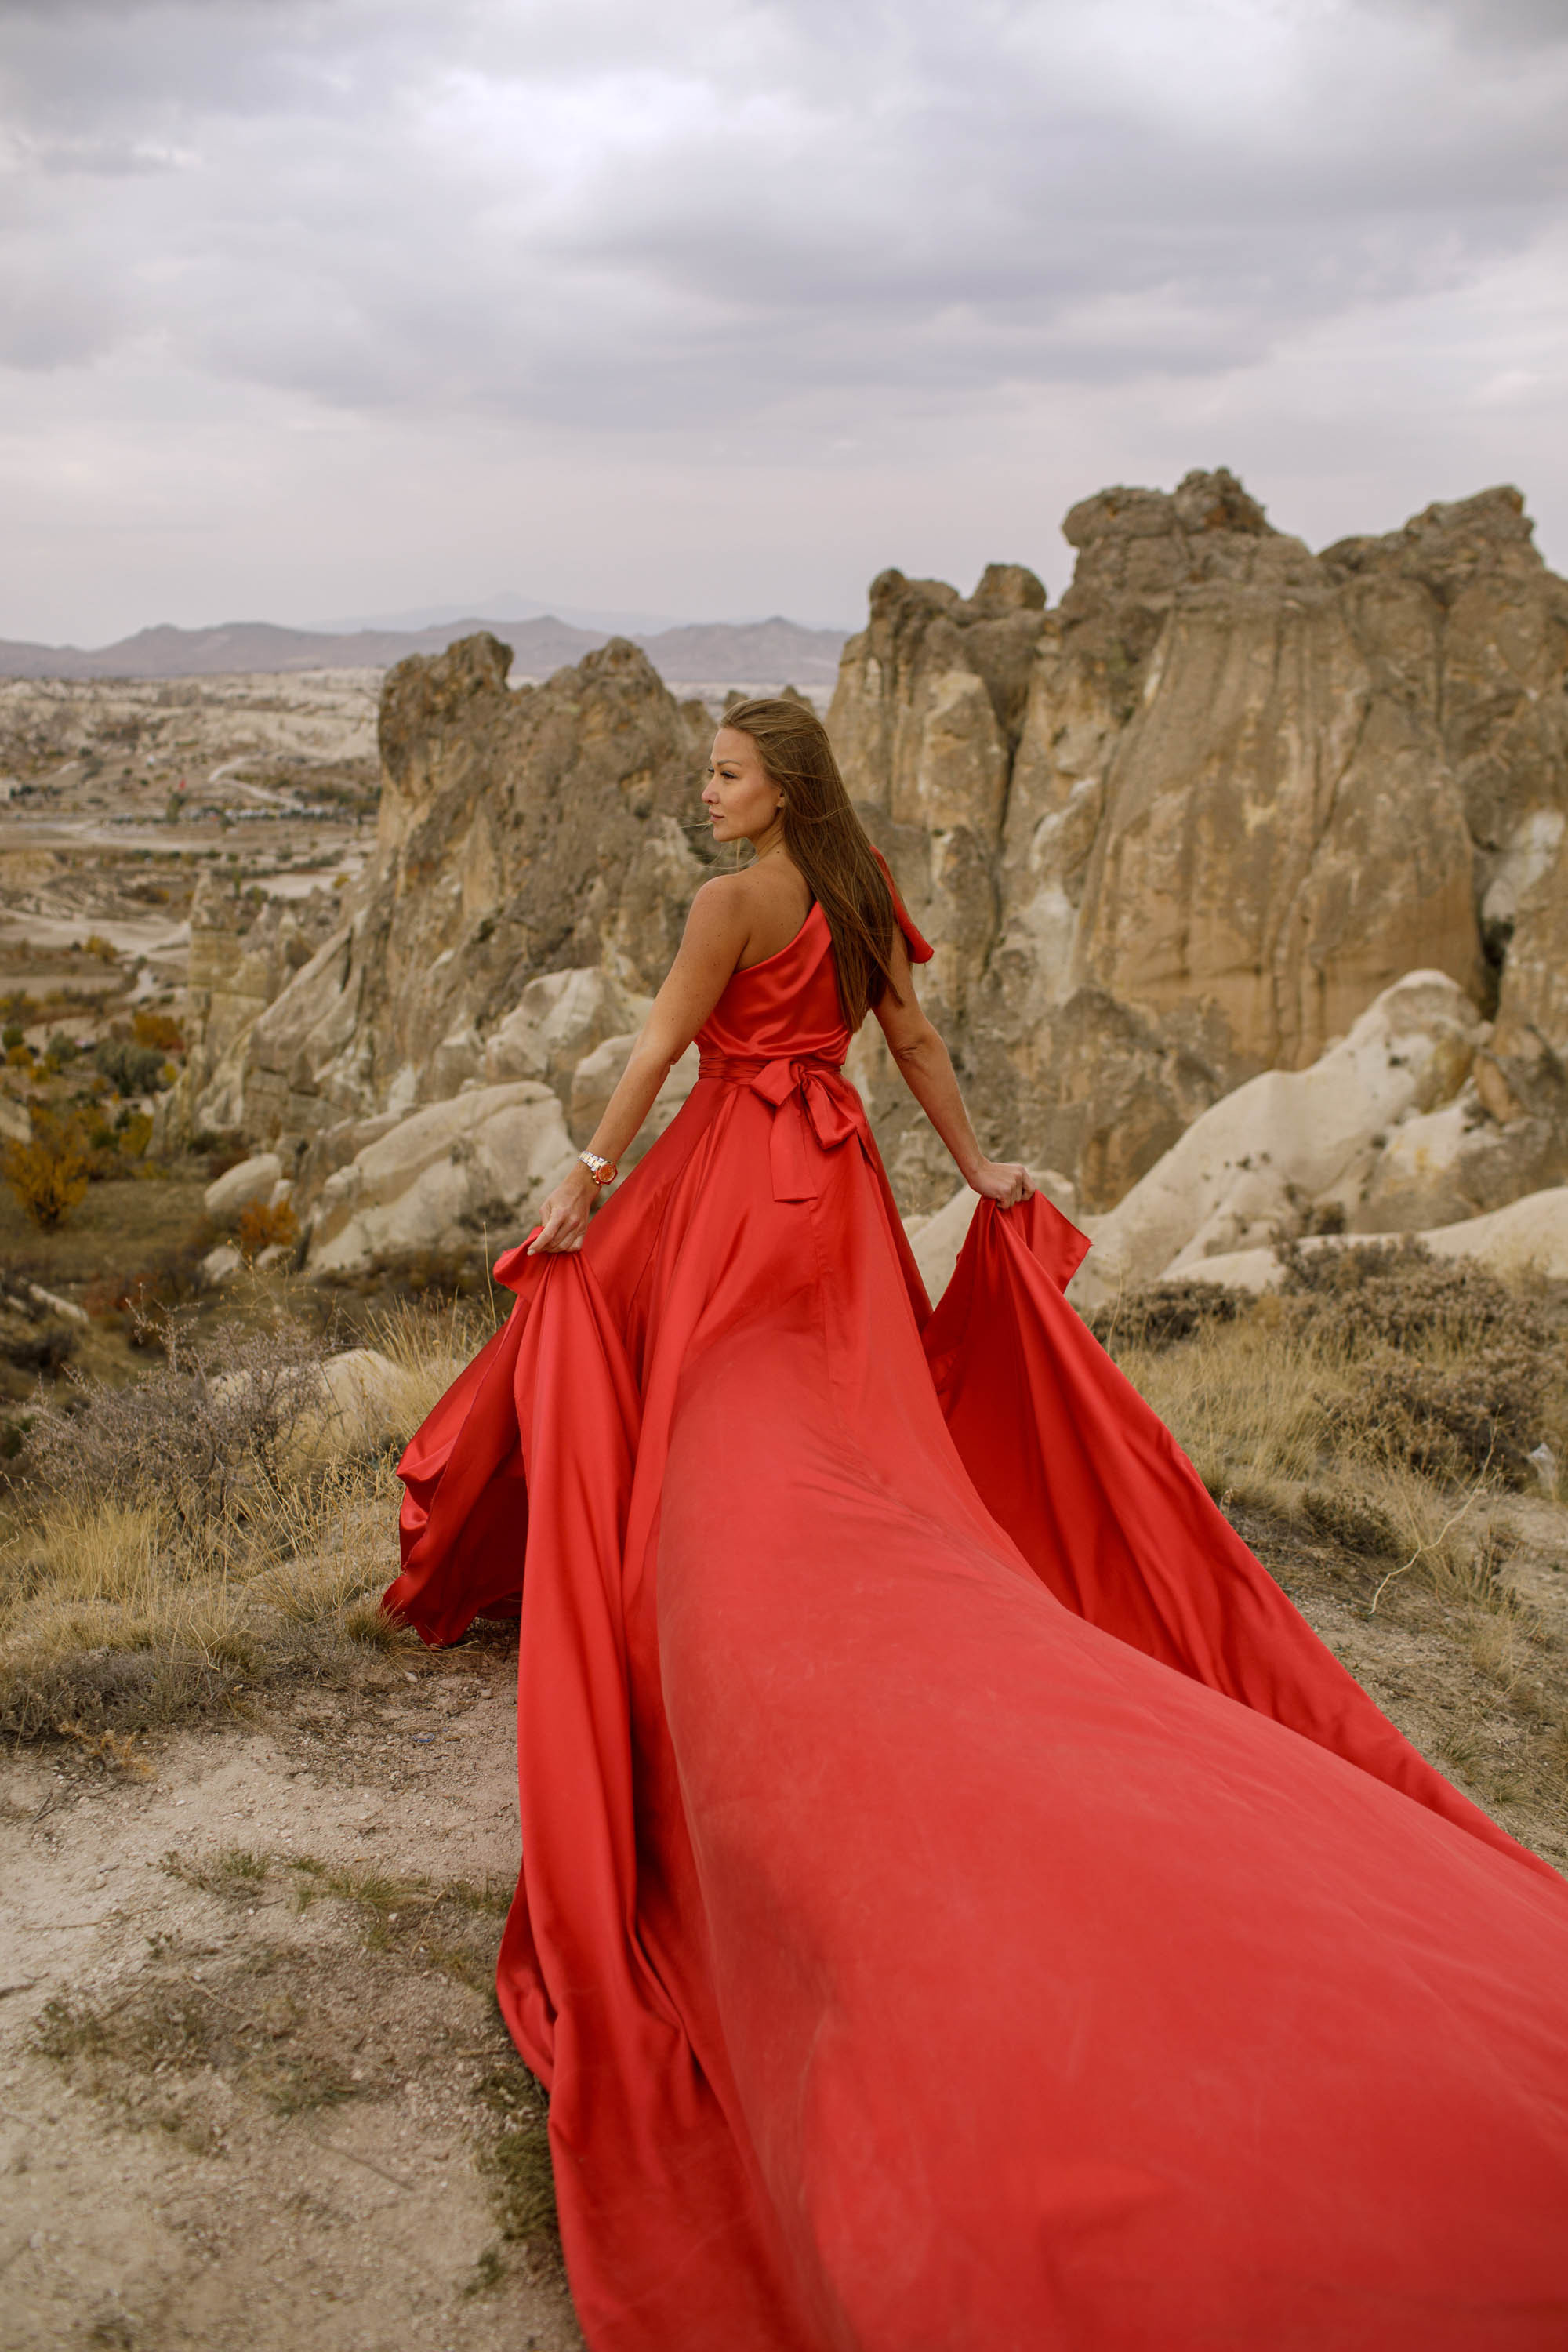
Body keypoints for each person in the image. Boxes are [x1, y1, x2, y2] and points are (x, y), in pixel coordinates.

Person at [387, 699, 1568, 2352]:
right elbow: (922, 1048)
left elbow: (656, 1054)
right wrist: (981, 1170)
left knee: (712, 1417)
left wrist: (585, 1176)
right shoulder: (860, 883)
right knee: (843, 1425)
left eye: (725, 774)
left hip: (729, 1184)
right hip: (836, 1198)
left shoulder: (730, 902)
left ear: (779, 786)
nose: (703, 793)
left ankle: (680, 1609)